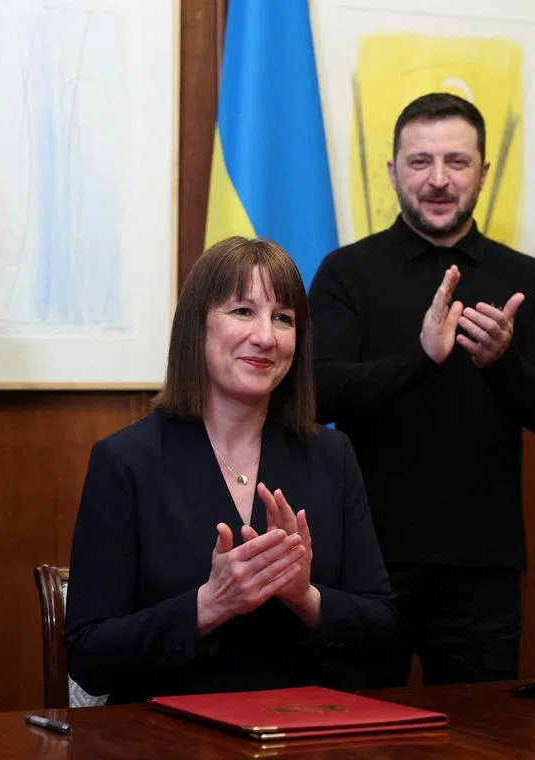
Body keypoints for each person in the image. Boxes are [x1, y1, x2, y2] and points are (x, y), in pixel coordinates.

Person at [308, 92, 535, 687]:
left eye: (456, 161)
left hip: (482, 569)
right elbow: (317, 393)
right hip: (364, 563)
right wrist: (421, 359)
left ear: (483, 171)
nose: (437, 180)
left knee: (485, 742)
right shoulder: (346, 272)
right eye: (419, 161)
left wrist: (500, 362)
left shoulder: (526, 278)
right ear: (392, 172)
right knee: (356, 741)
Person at [64, 237, 397, 703]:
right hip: (169, 738)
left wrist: (307, 599)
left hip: (305, 733)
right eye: (243, 311)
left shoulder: (332, 455)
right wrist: (210, 605)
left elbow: (384, 633)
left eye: (283, 318)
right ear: (196, 326)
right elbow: (88, 657)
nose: (265, 336)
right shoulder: (126, 461)